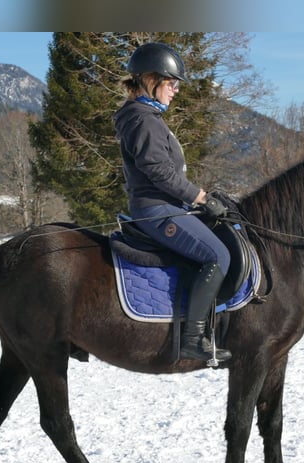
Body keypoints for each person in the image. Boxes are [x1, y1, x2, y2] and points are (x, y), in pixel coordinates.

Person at [113, 42, 231, 363]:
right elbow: (161, 173)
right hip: (156, 210)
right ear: (150, 80)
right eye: (171, 83)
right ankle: (193, 339)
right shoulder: (143, 120)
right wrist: (200, 197)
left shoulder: (146, 117)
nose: (175, 91)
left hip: (168, 207)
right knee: (218, 255)